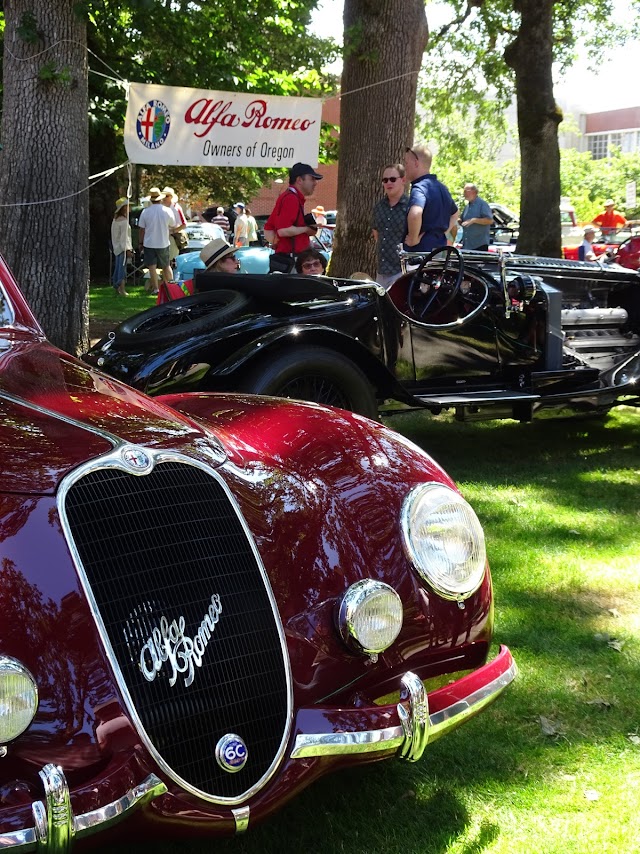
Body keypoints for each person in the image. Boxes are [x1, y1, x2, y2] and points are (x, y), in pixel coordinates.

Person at [264, 162, 323, 273]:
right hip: (292, 260)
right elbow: (283, 231)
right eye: (312, 179)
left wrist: (275, 241)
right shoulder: (291, 198)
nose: (315, 183)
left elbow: (269, 228)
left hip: (291, 259)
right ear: (299, 180)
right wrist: (306, 229)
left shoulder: (289, 196)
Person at [403, 144, 458, 252]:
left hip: (419, 255)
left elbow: (415, 213)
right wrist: (443, 232)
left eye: (406, 163)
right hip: (439, 252)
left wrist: (413, 239)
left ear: (416, 163)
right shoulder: (443, 189)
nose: (405, 167)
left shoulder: (419, 188)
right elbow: (455, 214)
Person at [372, 162, 409, 289]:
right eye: (385, 180)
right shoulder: (379, 207)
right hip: (381, 272)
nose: (388, 183)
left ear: (403, 180)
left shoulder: (411, 207)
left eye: (393, 179)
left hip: (403, 271)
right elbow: (376, 234)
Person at [137, 187, 177, 294]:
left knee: (152, 267)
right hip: (163, 242)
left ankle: (155, 288)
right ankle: (171, 287)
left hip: (149, 243)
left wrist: (140, 242)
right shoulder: (167, 211)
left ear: (151, 199)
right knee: (166, 265)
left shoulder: (145, 212)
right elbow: (173, 225)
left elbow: (142, 229)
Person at [460, 183, 494, 251]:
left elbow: (489, 220)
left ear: (474, 192)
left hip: (479, 245)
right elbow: (462, 220)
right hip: (467, 245)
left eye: (466, 191)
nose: (464, 194)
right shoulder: (467, 206)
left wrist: (474, 220)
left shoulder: (482, 204)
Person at [111, 197, 132, 296]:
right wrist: (127, 249)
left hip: (116, 247)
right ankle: (122, 289)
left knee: (118, 267)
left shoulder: (115, 220)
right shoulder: (123, 221)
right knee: (122, 269)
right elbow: (124, 237)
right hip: (122, 248)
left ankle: (117, 288)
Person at [162, 186, 187, 264]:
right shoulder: (162, 208)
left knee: (171, 260)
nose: (164, 198)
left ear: (171, 197)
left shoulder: (176, 208)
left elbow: (184, 224)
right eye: (163, 196)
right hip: (163, 237)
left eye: (167, 196)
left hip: (172, 237)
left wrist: (173, 231)